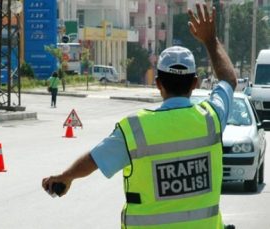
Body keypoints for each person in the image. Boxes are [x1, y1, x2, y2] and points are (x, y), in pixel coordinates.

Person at [42, 3, 237, 229]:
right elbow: (229, 81)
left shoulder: (135, 130)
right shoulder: (211, 118)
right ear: (195, 83)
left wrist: (66, 177)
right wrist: (211, 41)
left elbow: (95, 159)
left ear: (158, 84)